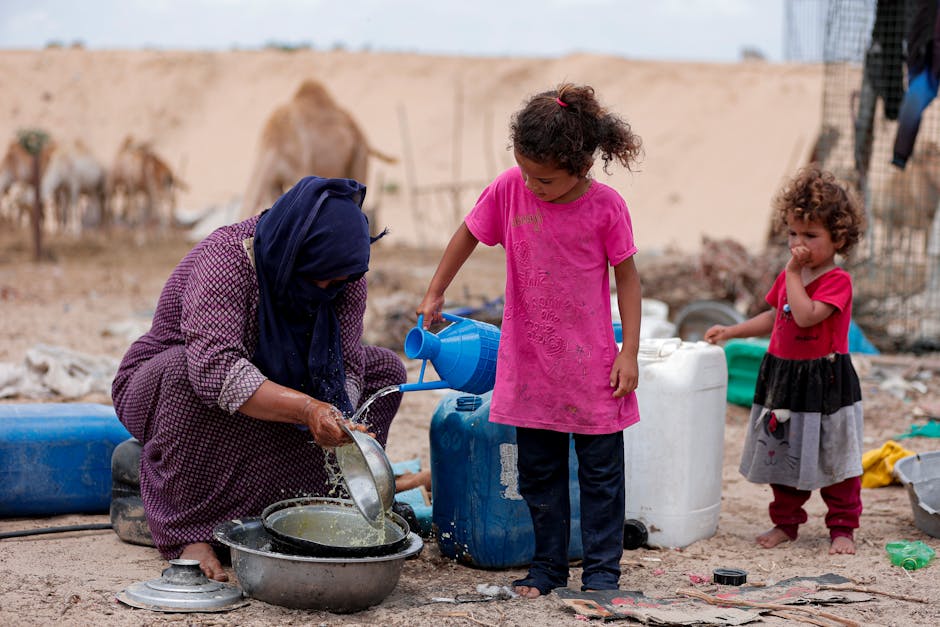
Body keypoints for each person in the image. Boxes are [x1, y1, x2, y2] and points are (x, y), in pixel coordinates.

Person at [111, 176, 406, 580]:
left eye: (335, 283)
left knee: (385, 373)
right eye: (315, 277)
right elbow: (215, 369)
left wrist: (342, 417)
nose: (325, 290)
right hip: (169, 387)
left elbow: (349, 363)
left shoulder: (346, 275)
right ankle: (188, 531)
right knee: (183, 372)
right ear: (292, 252)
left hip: (285, 382)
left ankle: (309, 507)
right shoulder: (228, 258)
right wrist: (307, 409)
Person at [416, 83, 643, 597]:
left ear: (582, 167)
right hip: (530, 366)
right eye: (524, 171)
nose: (532, 185)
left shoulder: (607, 208)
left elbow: (628, 279)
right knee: (538, 475)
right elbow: (468, 232)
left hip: (593, 370)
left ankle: (602, 573)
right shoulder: (509, 189)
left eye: (545, 179)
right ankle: (547, 569)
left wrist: (628, 351)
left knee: (601, 477)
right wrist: (436, 290)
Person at [704, 166, 865, 555]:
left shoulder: (837, 281)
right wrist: (732, 331)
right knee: (784, 451)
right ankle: (786, 523)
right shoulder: (791, 276)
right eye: (793, 233)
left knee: (835, 455)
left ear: (838, 238)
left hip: (824, 380)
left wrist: (793, 271)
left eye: (810, 235)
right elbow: (776, 316)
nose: (798, 244)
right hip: (784, 377)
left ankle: (842, 526)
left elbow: (806, 315)